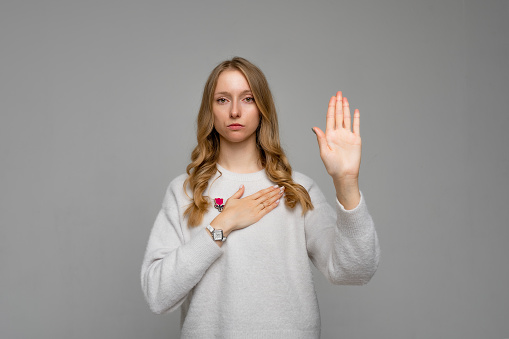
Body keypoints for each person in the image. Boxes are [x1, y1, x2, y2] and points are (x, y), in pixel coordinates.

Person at [141, 57, 380, 338]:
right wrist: (221, 226)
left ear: (262, 108)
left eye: (248, 98)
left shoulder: (296, 190)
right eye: (222, 99)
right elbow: (157, 295)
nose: (234, 111)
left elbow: (355, 271)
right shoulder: (184, 191)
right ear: (210, 109)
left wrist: (346, 182)